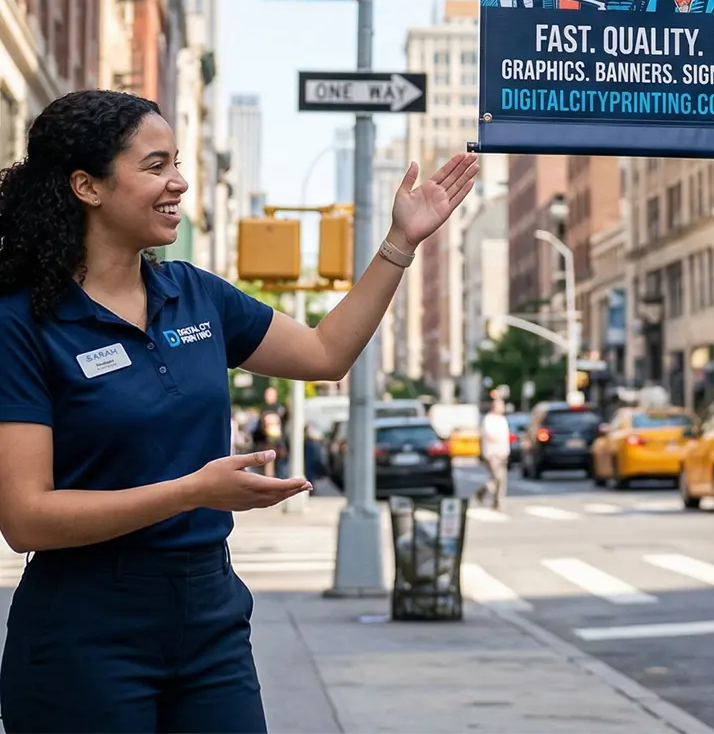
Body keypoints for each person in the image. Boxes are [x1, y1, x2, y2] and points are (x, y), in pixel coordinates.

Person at [0, 90, 477, 734]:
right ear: (87, 186)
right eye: (155, 166)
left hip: (209, 618)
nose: (179, 182)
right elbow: (27, 519)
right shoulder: (22, 323)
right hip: (85, 629)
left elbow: (324, 353)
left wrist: (399, 242)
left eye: (178, 162)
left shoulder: (197, 294)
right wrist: (195, 491)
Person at [476, 395, 511, 510]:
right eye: (501, 405)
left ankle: (497, 501)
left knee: (501, 478)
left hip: (503, 453)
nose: (503, 408)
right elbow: (488, 435)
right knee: (497, 477)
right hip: (492, 453)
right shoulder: (489, 419)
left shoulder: (503, 420)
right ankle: (485, 491)